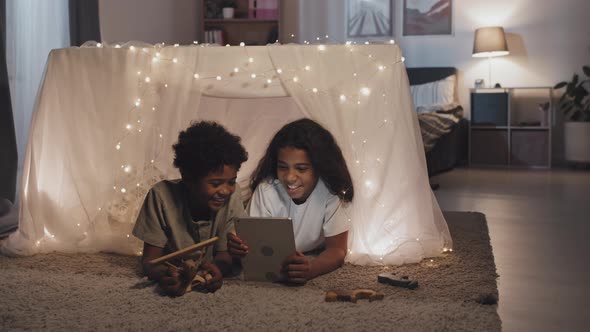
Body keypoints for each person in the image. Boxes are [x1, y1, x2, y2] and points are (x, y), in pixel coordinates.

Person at [228, 118, 354, 284]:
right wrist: (240, 249)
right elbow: (255, 248)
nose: (290, 177)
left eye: (301, 169)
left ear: (319, 167)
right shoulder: (267, 190)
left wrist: (311, 269)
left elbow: (337, 250)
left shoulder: (331, 192)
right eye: (283, 167)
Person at [133, 121, 248, 296]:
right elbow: (150, 261)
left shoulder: (233, 196)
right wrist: (167, 274)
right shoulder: (161, 195)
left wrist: (216, 269)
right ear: (188, 178)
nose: (225, 190)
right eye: (215, 184)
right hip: (174, 267)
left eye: (231, 182)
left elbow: (224, 255)